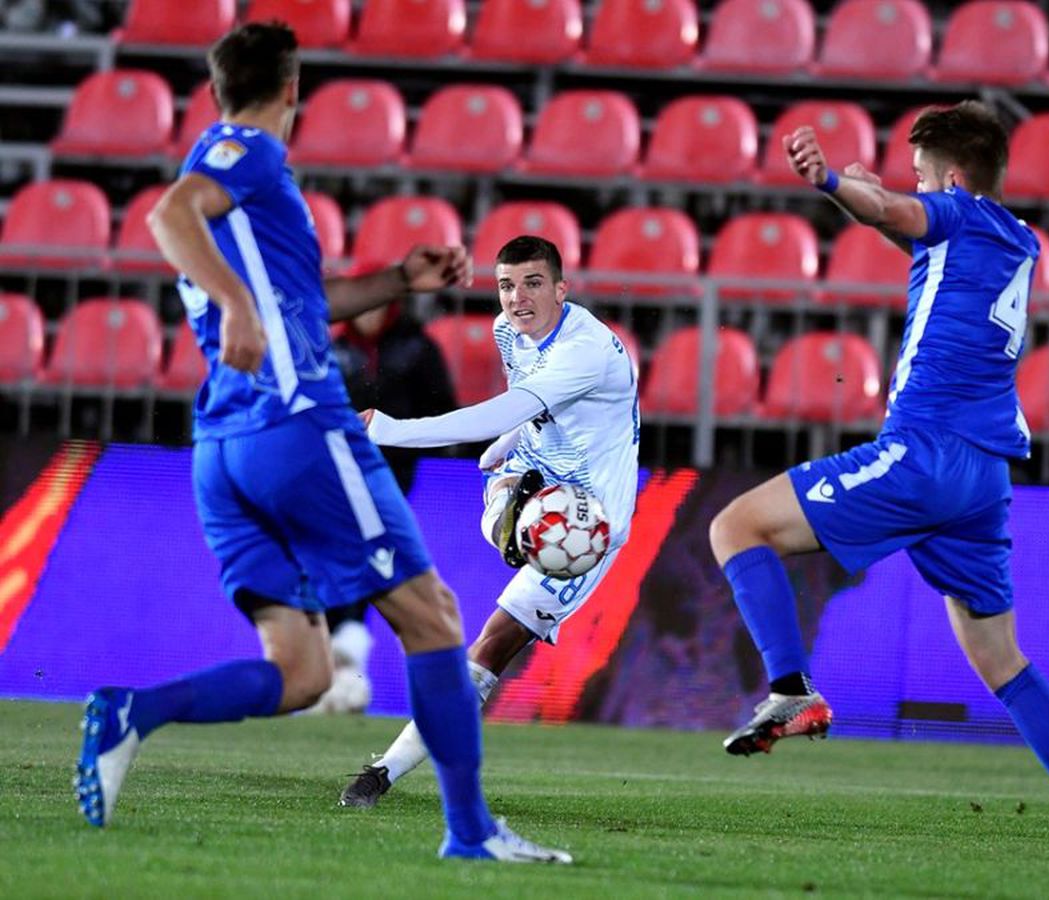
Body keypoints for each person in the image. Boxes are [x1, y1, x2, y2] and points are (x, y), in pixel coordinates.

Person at [72, 22, 570, 864]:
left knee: (299, 672)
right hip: (296, 425)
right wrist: (233, 304)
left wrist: (398, 281)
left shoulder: (245, 189)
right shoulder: (248, 154)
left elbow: (305, 300)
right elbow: (169, 212)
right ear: (293, 88)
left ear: (216, 83)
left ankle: (133, 714)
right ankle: (471, 832)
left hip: (223, 448)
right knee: (435, 617)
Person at [708, 101, 1049, 864]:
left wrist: (835, 182)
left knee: (735, 526)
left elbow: (903, 210)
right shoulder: (1018, 239)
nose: (916, 186)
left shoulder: (958, 213)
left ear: (956, 180)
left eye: (924, 174)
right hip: (983, 477)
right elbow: (904, 217)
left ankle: (791, 686)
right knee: (1002, 659)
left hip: (926, 453)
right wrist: (873, 202)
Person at [338, 235, 640, 808]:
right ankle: (512, 511)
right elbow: (525, 410)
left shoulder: (585, 349)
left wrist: (386, 428)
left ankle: (382, 773)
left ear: (561, 288)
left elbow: (506, 407)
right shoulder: (511, 333)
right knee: (503, 511)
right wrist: (509, 443)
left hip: (586, 525)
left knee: (493, 643)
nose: (517, 298)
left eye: (532, 283)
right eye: (506, 285)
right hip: (533, 471)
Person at [305, 301, 458, 715]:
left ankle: (344, 661)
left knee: (370, 560)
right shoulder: (328, 348)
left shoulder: (417, 350)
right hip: (333, 475)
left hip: (391, 476)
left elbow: (442, 407)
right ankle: (337, 663)